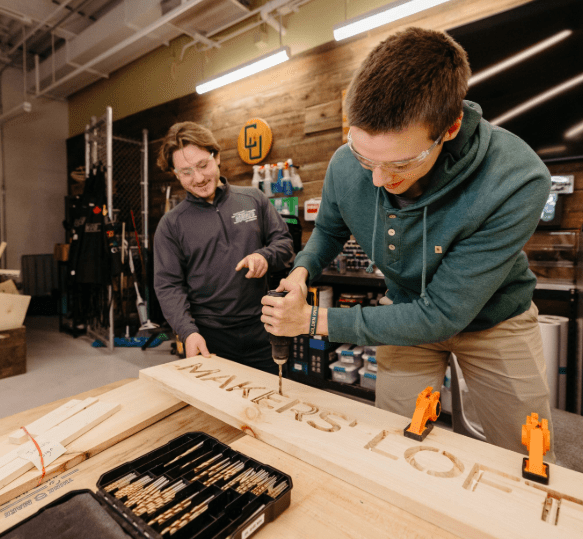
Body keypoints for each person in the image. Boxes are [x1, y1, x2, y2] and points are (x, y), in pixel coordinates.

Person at [261, 28, 555, 459]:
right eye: (365, 158)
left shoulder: (516, 179)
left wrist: (312, 322)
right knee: (396, 445)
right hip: (400, 317)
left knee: (525, 457)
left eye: (400, 163)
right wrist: (303, 271)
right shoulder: (346, 164)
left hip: (496, 323)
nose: (378, 179)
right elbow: (329, 229)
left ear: (450, 127)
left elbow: (440, 315)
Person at [154, 121, 294, 374]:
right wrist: (188, 333)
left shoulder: (254, 199)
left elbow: (284, 245)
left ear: (216, 157)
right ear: (175, 174)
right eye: (185, 172)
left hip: (263, 328)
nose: (198, 178)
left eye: (202, 165)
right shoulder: (171, 225)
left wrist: (264, 256)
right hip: (208, 338)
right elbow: (168, 286)